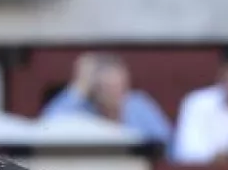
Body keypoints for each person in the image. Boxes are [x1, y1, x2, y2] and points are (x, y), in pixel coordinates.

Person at [40, 52, 171, 146]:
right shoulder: (82, 108)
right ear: (95, 89)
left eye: (121, 86)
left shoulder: (138, 104)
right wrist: (79, 87)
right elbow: (47, 127)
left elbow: (166, 145)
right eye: (108, 87)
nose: (116, 94)